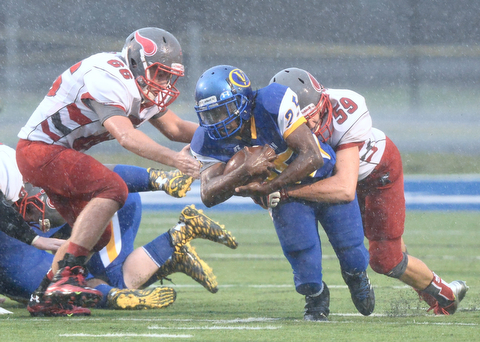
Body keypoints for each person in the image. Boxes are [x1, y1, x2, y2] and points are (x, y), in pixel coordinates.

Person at [15, 27, 201, 316]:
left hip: (55, 154)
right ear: (137, 64)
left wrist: (225, 137)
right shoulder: (109, 75)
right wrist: (174, 161)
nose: (164, 83)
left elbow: (176, 129)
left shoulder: (138, 86)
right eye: (159, 73)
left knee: (94, 236)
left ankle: (46, 297)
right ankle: (66, 279)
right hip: (39, 151)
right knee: (113, 188)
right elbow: (126, 136)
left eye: (168, 76)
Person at [269, 67, 469, 315]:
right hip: (341, 180)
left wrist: (287, 193)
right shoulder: (274, 122)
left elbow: (344, 188)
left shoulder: (345, 108)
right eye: (301, 119)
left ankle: (448, 295)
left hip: (377, 176)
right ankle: (430, 292)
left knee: (385, 260)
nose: (310, 122)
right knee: (387, 248)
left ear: (323, 98)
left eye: (313, 113)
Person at [189, 65, 374, 321]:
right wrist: (243, 171)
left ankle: (355, 276)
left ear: (244, 101)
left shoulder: (271, 102)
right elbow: (208, 195)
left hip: (321, 179)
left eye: (223, 110)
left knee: (352, 251)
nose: (217, 121)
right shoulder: (206, 138)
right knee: (304, 263)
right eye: (210, 115)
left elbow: (311, 158)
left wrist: (269, 187)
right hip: (283, 194)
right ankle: (317, 296)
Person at [1, 163, 238, 316]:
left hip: (110, 205)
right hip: (90, 211)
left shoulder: (31, 171)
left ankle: (178, 234)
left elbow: (102, 175)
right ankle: (172, 255)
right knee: (61, 281)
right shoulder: (29, 172)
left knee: (108, 282)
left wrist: (157, 179)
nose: (29, 218)